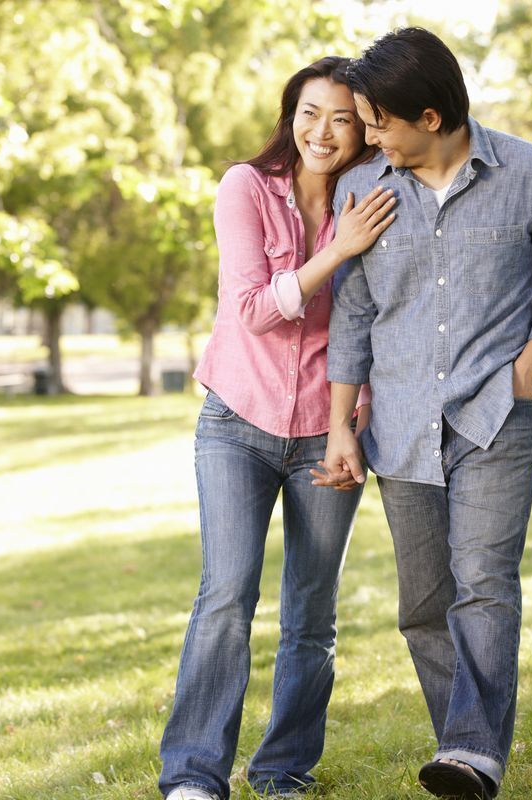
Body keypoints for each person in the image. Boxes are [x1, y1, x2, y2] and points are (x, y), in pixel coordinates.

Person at [315, 28, 532, 800]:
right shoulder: (363, 192)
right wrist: (342, 424)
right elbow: (355, 313)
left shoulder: (528, 173)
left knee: (483, 582)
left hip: (493, 419)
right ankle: (462, 752)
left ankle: (473, 753)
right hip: (400, 422)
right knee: (425, 603)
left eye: (378, 122)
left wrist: (526, 373)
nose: (367, 137)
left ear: (430, 117)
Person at [158, 56, 398, 800]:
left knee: (312, 612)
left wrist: (356, 423)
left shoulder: (381, 196)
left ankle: (283, 769)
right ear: (288, 116)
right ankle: (195, 775)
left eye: (341, 117)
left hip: (330, 430)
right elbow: (255, 310)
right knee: (226, 595)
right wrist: (339, 248)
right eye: (308, 113)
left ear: (364, 128)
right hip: (238, 421)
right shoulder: (246, 188)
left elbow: (388, 321)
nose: (322, 131)